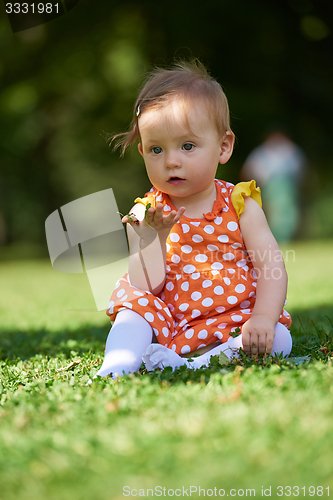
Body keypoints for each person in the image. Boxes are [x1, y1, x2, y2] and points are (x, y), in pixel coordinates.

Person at [94, 60, 292, 379]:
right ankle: (117, 366)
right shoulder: (145, 212)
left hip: (234, 318)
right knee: (132, 310)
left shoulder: (240, 204)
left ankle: (195, 365)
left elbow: (271, 267)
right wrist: (155, 237)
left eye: (187, 146)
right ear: (143, 152)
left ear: (223, 147)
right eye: (156, 150)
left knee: (280, 339)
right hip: (168, 320)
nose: (171, 161)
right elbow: (145, 286)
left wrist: (263, 319)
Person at [241, 130, 306, 243]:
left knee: (287, 214)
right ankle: (277, 239)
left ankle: (282, 239)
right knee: (276, 214)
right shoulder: (263, 152)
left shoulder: (289, 150)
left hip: (286, 186)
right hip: (271, 187)